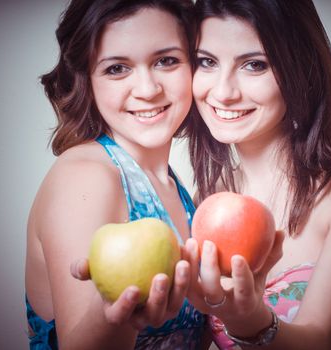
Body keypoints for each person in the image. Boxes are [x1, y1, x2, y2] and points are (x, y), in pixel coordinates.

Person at [183, 0, 331, 349]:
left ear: (299, 68)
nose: (224, 92)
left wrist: (248, 322)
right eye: (207, 62)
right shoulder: (206, 200)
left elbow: (317, 339)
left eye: (255, 64)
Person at [24, 0, 208, 349]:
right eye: (117, 69)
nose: (148, 89)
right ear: (87, 81)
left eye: (166, 61)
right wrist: (117, 317)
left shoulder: (177, 190)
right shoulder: (86, 175)